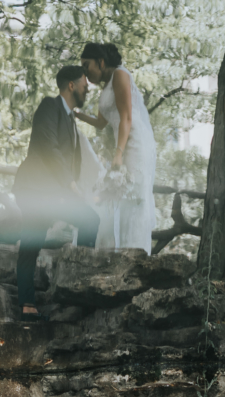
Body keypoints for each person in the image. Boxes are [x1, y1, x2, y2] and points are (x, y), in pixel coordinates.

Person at [13, 66, 100, 318]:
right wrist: (71, 186)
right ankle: (27, 303)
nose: (88, 88)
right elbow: (50, 149)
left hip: (55, 194)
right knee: (31, 243)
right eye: (85, 84)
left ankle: (78, 290)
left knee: (90, 220)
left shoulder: (72, 119)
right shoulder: (49, 107)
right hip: (35, 190)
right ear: (71, 85)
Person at [76, 43, 157, 254]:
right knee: (119, 197)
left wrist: (119, 154)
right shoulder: (106, 87)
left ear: (101, 62)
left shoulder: (121, 75)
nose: (85, 72)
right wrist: (75, 114)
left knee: (133, 198)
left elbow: (127, 118)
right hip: (123, 140)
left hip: (135, 143)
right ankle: (118, 250)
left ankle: (136, 252)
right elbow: (101, 123)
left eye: (87, 66)